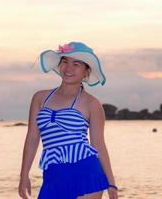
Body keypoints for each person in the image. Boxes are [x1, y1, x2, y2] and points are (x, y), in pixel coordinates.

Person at [18, 42, 118, 199]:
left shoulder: (92, 103)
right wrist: (24, 175)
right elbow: (32, 138)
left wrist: (111, 183)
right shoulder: (40, 98)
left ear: (86, 71)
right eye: (65, 61)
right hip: (53, 174)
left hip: (85, 173)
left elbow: (98, 145)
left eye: (76, 64)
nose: (68, 68)